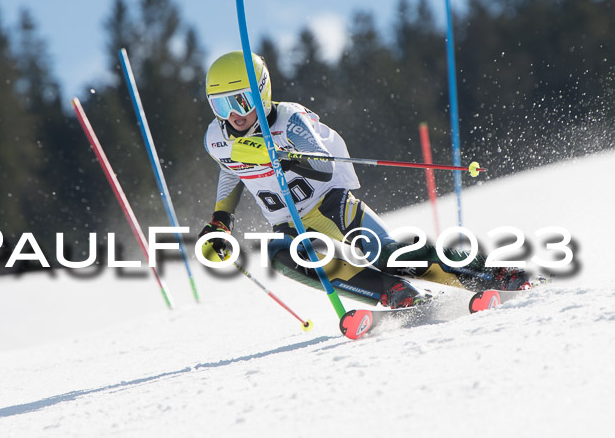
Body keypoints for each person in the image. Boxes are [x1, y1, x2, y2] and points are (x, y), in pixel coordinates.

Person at [199, 51, 529, 308]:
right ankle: (393, 293)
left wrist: (277, 154)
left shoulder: (290, 120)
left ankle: (496, 273)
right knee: (280, 255)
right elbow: (231, 169)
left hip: (331, 205)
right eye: (221, 105)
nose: (233, 115)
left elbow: (324, 166)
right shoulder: (216, 138)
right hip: (289, 222)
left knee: (389, 255)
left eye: (240, 101)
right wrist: (221, 219)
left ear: (261, 92)